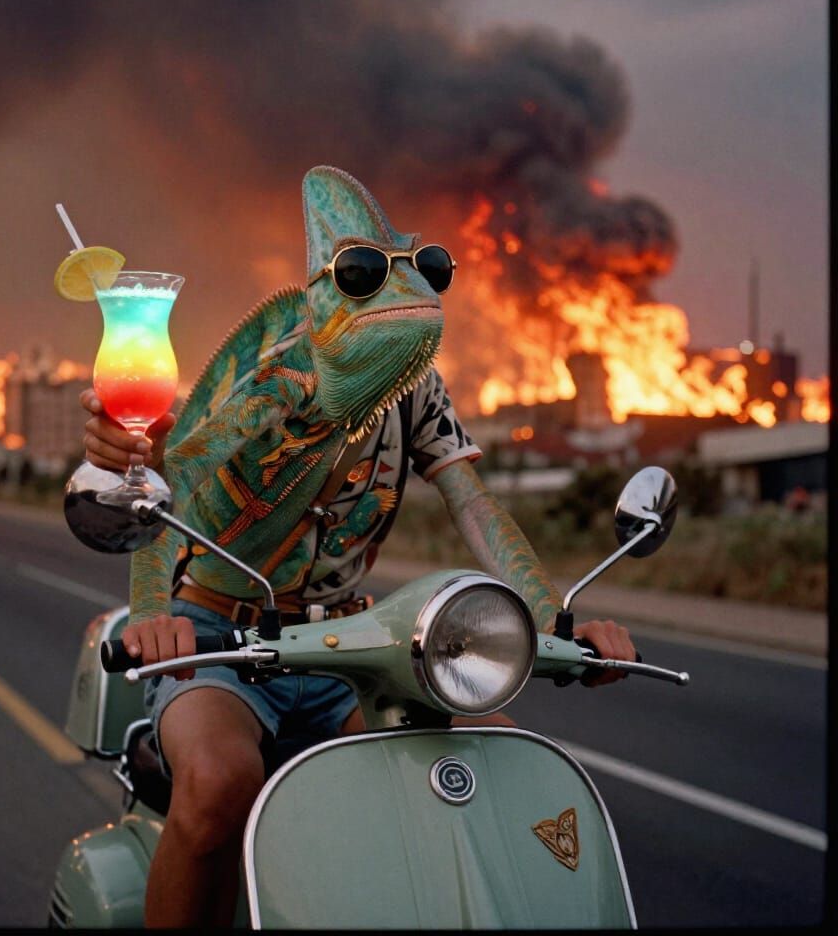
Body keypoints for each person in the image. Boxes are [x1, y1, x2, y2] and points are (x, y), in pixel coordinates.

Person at [80, 166, 636, 928]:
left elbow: (474, 504)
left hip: (350, 642)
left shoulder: (417, 389)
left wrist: (556, 623)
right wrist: (150, 608)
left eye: (428, 270)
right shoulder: (275, 380)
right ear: (321, 296)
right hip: (220, 639)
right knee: (215, 787)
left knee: (496, 765)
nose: (410, 292)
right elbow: (165, 480)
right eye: (362, 275)